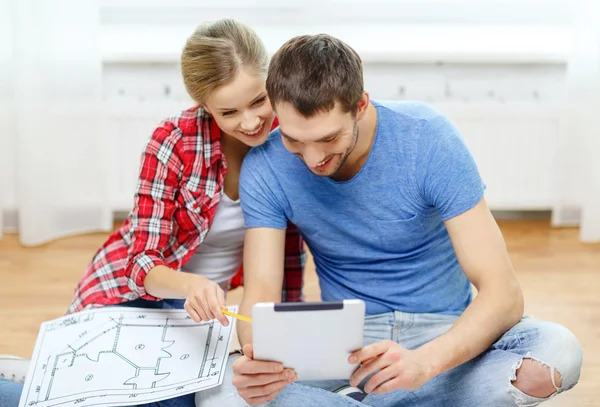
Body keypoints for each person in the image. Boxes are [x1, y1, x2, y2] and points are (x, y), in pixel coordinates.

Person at [197, 34, 583, 406]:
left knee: (556, 351)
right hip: (346, 345)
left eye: (328, 139)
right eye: (295, 140)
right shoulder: (265, 165)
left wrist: (425, 363)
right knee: (221, 390)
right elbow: (260, 293)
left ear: (361, 105)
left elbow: (504, 294)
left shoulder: (429, 139)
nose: (313, 159)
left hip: (444, 333)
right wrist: (256, 357)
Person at [0, 19, 306, 407]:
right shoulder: (174, 142)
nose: (249, 122)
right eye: (229, 112)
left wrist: (287, 336)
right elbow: (141, 264)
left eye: (259, 100)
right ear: (204, 106)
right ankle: (37, 381)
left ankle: (47, 376)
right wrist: (190, 285)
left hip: (201, 317)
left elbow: (287, 259)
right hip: (131, 294)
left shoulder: (293, 141)